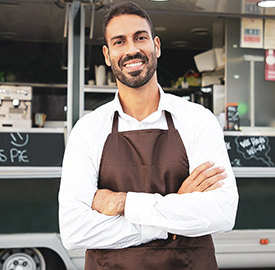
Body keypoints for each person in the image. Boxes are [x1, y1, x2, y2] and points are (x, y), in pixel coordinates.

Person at [58, 2, 239, 269]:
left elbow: (221, 213)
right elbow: (74, 230)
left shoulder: (197, 120)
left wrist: (123, 202)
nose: (132, 50)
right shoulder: (88, 130)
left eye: (140, 38)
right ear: (107, 55)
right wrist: (171, 219)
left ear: (156, 45)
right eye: (120, 42)